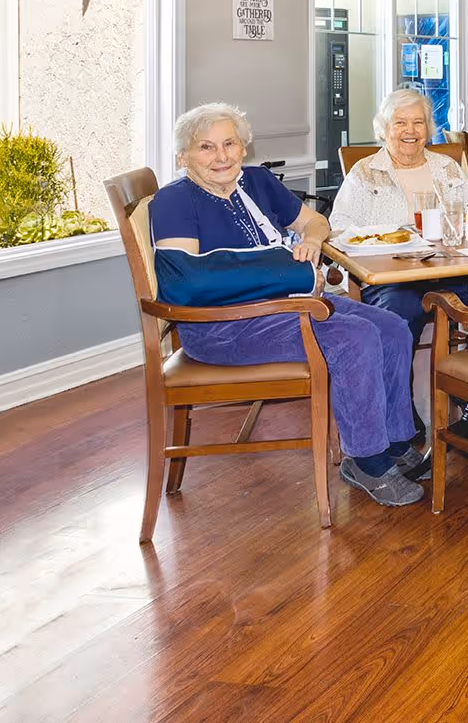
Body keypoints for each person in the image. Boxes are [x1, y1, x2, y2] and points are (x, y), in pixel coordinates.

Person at [149, 102, 426, 507]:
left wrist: (312, 239)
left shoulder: (257, 181)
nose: (222, 156)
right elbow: (189, 281)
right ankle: (366, 459)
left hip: (288, 306)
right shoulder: (174, 201)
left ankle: (395, 439)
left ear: (244, 148)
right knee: (353, 336)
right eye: (206, 148)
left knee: (391, 326)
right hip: (223, 326)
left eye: (230, 144)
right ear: (183, 157)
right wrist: (292, 273)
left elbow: (315, 221)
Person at [329, 87, 468, 344]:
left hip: (452, 271)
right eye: (400, 123)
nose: (410, 131)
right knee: (400, 313)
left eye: (418, 123)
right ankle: (397, 385)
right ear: (384, 129)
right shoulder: (365, 172)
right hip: (393, 280)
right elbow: (340, 227)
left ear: (428, 128)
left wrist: (459, 226)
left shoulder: (446, 167)